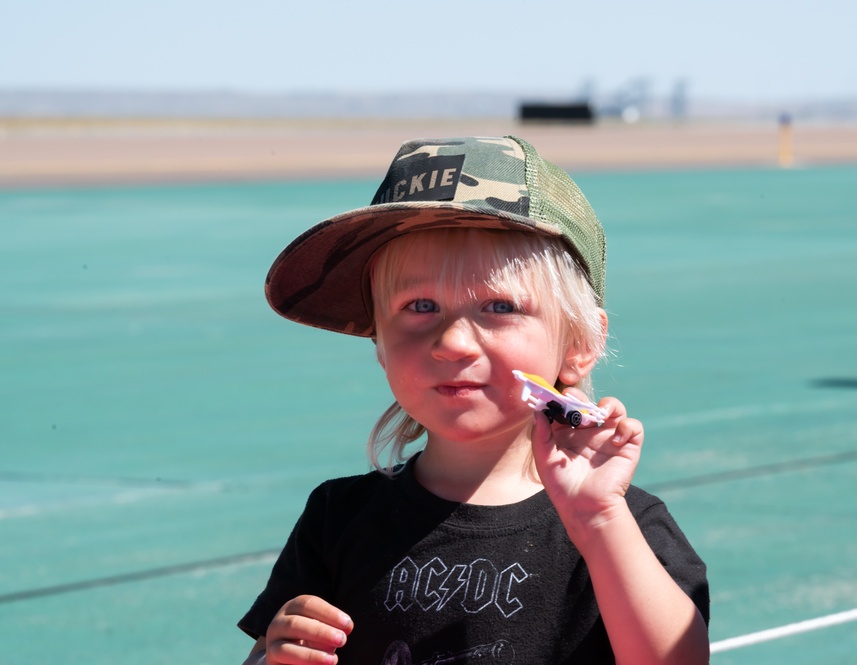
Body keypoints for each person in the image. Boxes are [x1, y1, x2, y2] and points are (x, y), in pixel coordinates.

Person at [238, 136, 709, 665]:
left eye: (499, 305)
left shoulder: (621, 522)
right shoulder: (338, 517)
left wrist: (599, 521)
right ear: (379, 342)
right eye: (419, 305)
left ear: (579, 344)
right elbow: (266, 654)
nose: (452, 343)